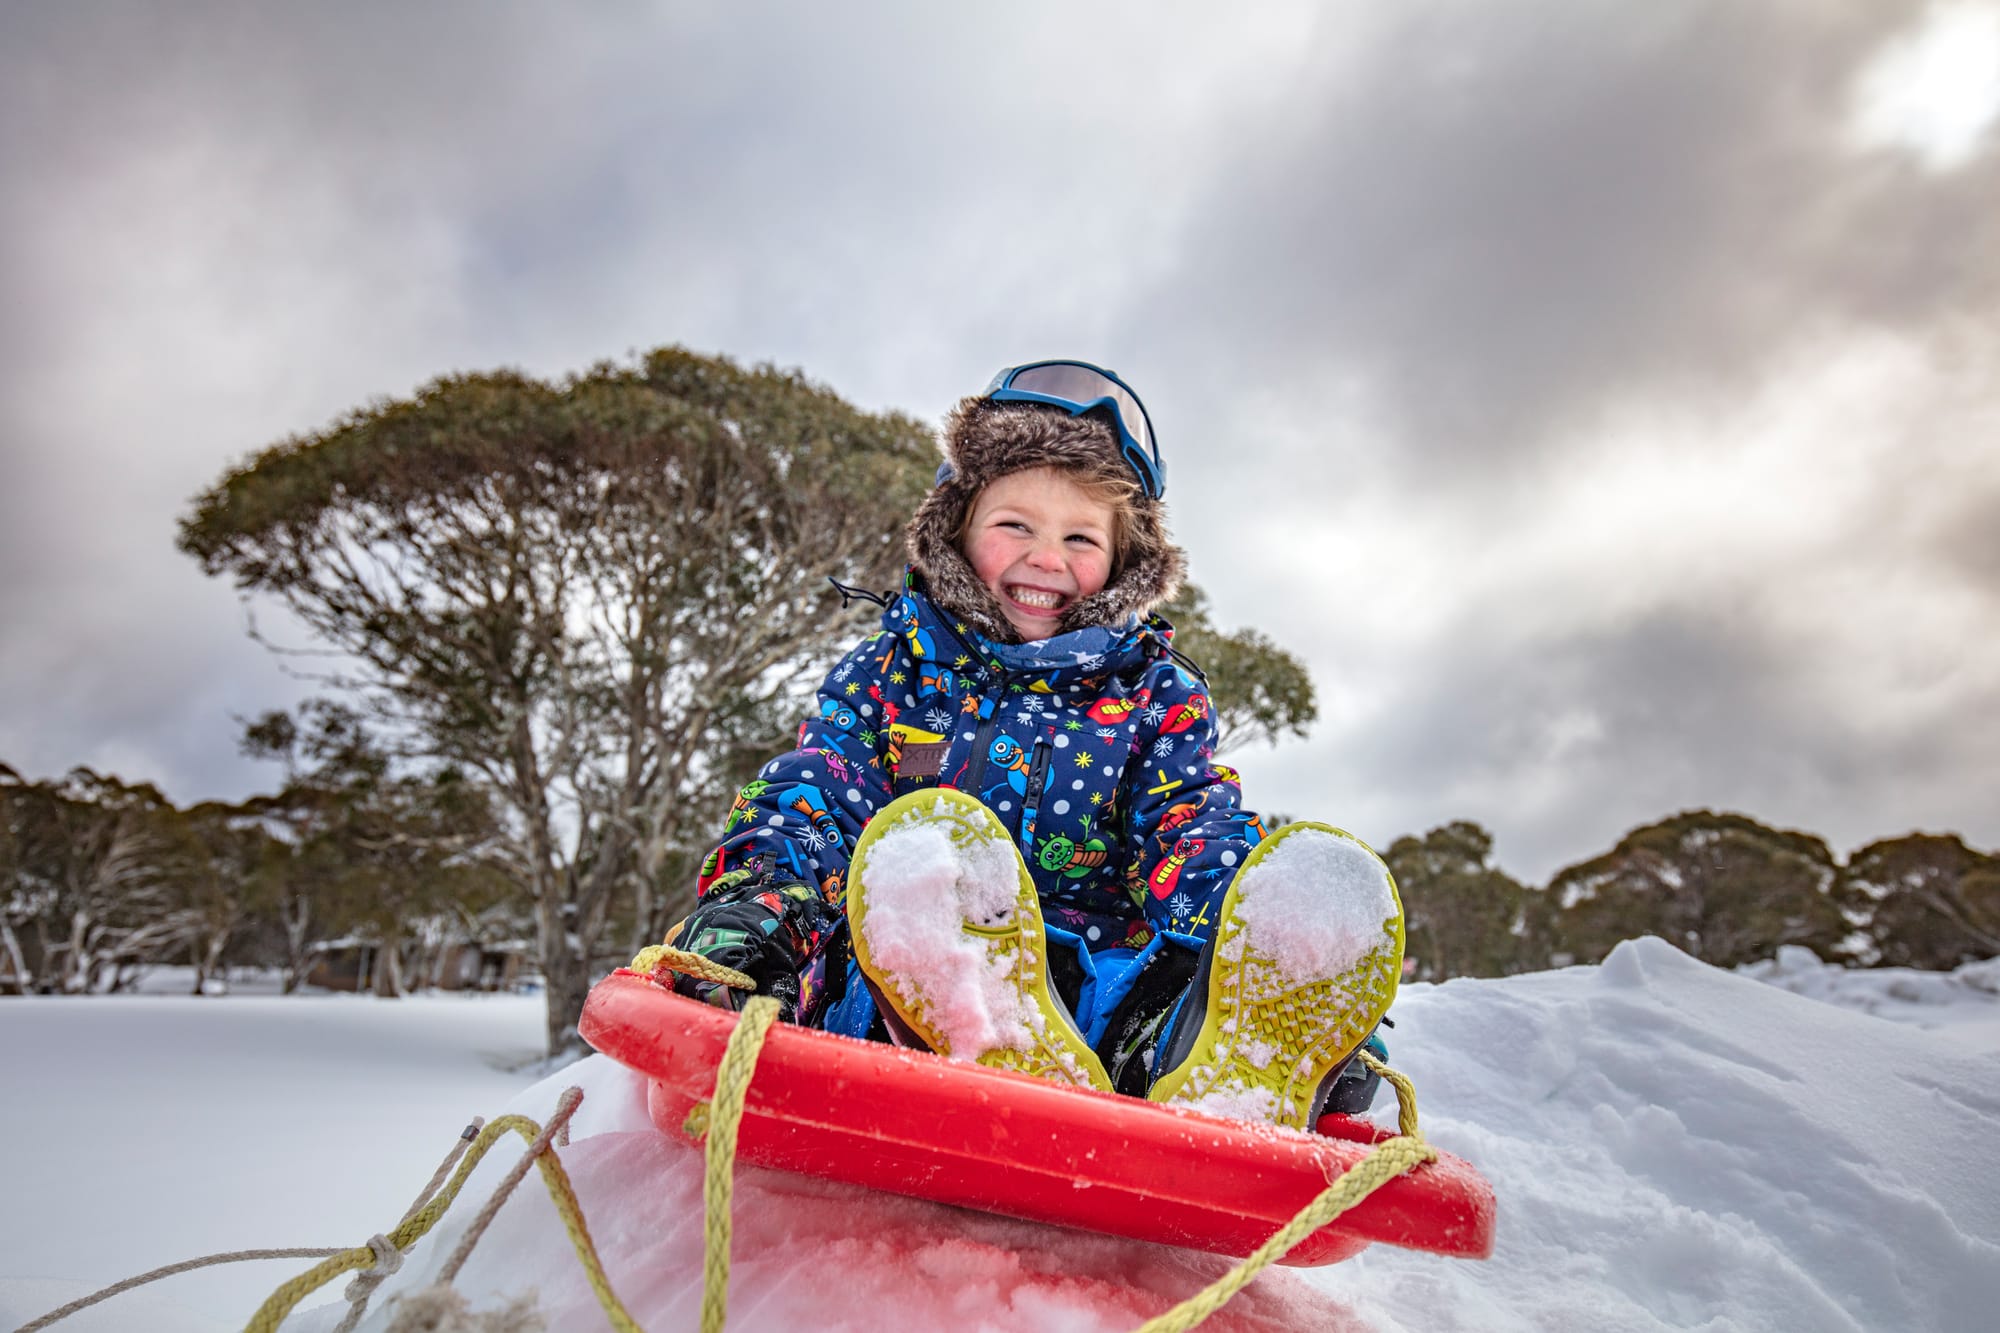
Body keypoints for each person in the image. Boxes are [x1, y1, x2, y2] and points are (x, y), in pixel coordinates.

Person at [662, 360, 1403, 1131]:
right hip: (896, 991)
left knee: (1173, 976)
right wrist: (763, 905)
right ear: (956, 527)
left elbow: (1189, 829)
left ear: (1124, 564)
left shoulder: (1154, 696)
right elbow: (819, 791)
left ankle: (1228, 1061)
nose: (1046, 557)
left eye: (1080, 537)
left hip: (1099, 1012)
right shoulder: (892, 671)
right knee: (917, 872)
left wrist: (1267, 942)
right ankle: (970, 1027)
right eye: (1016, 524)